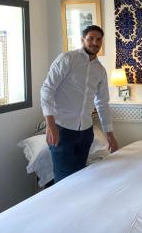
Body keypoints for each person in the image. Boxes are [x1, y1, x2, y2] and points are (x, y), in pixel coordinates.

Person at [40, 25, 118, 183]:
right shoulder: (67, 59)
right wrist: (50, 125)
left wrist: (109, 134)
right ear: (83, 40)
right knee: (64, 180)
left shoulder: (100, 70)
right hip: (62, 129)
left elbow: (102, 103)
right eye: (90, 39)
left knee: (80, 179)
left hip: (85, 133)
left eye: (98, 40)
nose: (94, 43)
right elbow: (47, 89)